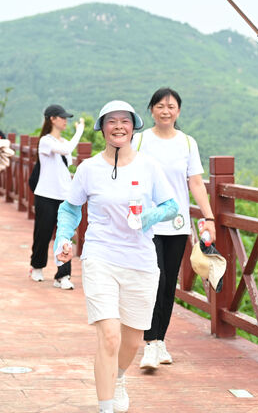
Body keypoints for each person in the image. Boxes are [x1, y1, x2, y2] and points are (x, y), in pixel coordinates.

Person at [55, 100, 178, 413]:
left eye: (125, 120)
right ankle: (105, 406)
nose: (119, 126)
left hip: (140, 261)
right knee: (109, 335)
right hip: (100, 255)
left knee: (132, 340)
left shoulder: (149, 167)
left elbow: (171, 206)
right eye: (112, 121)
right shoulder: (88, 169)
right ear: (102, 128)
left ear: (134, 125)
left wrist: (149, 217)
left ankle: (119, 377)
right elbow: (70, 208)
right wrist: (63, 237)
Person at [131, 88, 215, 371]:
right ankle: (150, 344)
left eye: (171, 106)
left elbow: (196, 184)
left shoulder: (188, 144)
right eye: (160, 106)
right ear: (151, 110)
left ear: (178, 111)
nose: (165, 111)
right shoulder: (139, 140)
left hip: (178, 224)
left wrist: (209, 218)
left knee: (169, 286)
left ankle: (160, 340)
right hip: (147, 223)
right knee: (156, 280)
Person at [29, 104, 85, 288]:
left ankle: (63, 276)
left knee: (64, 235)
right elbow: (67, 150)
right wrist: (80, 131)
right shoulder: (46, 141)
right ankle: (37, 267)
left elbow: (65, 158)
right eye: (62, 117)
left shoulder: (63, 141)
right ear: (52, 119)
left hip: (64, 195)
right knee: (43, 234)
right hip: (46, 194)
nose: (65, 121)